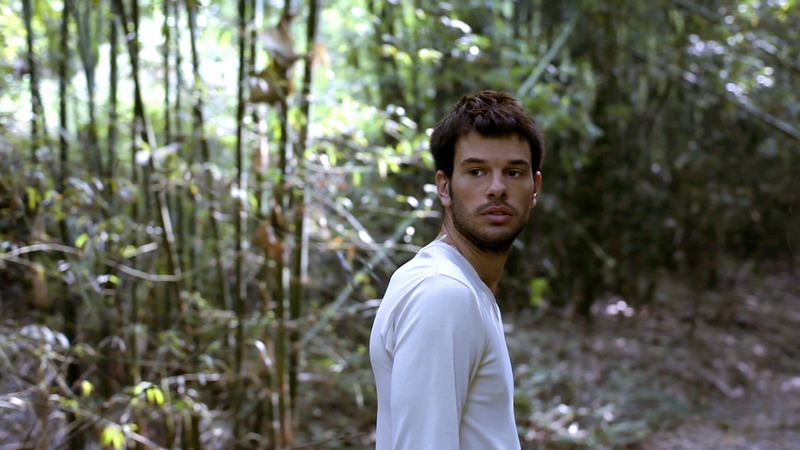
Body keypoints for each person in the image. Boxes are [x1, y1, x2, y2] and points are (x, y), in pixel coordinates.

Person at [369, 90, 545, 449]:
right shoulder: (443, 293)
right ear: (445, 187)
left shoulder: (460, 284)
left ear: (534, 188)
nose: (497, 189)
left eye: (513, 172)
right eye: (476, 171)